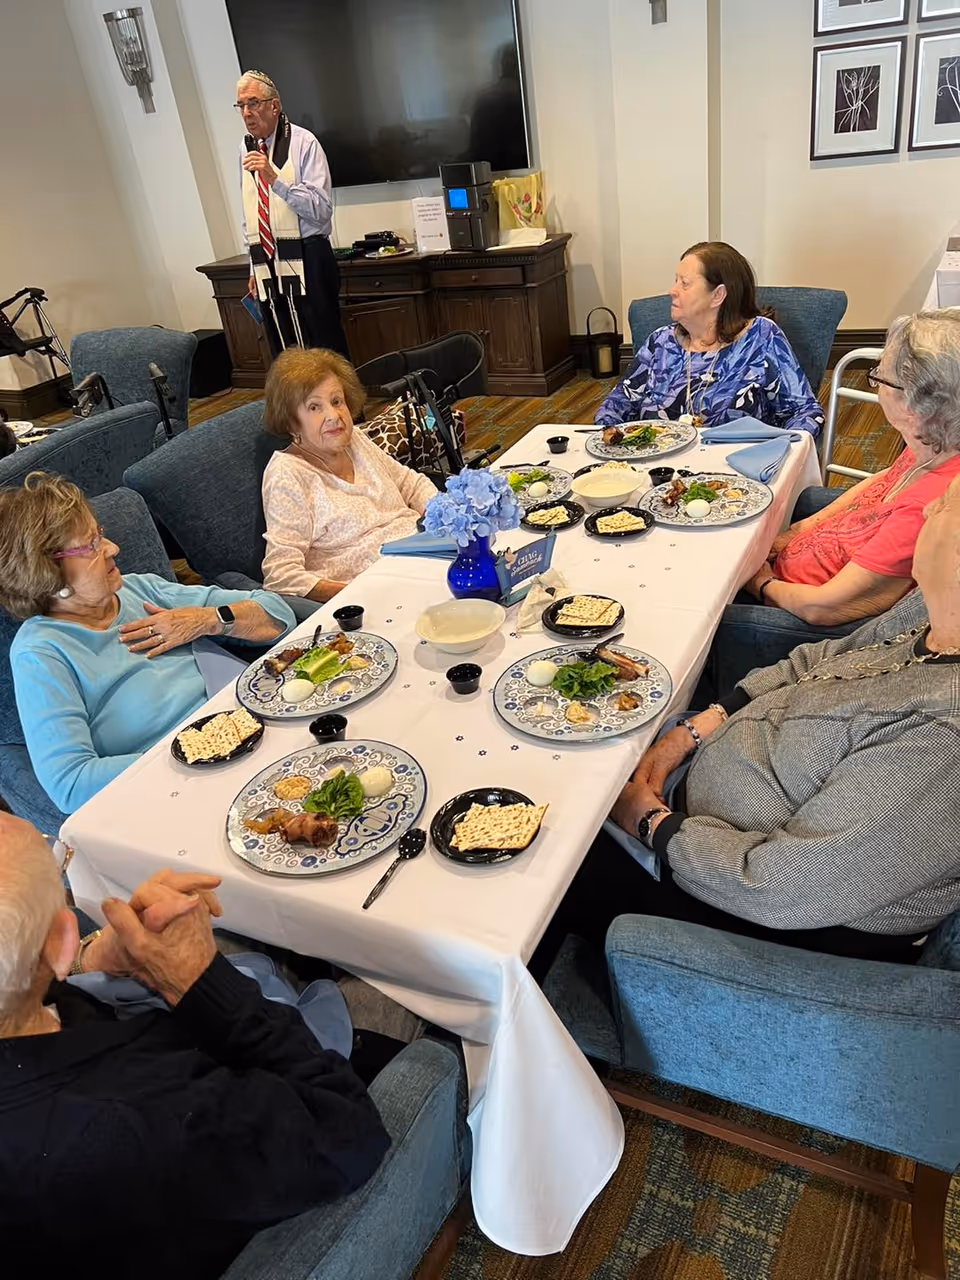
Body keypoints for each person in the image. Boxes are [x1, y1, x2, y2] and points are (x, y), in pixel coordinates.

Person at [562, 474, 960, 967]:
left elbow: (782, 886)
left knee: (548, 856)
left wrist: (645, 820)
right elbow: (819, 659)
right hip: (697, 787)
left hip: (738, 905)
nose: (926, 512)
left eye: (945, 505)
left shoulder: (943, 745)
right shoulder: (934, 612)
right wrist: (694, 731)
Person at [0, 813, 389, 1280]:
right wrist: (197, 980)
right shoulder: (129, 1124)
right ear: (59, 939)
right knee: (389, 982)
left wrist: (88, 960)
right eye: (57, 859)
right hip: (276, 1157)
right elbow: (349, 1133)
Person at [1, 473, 295, 815]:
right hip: (181, 791)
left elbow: (278, 613)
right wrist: (194, 750)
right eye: (92, 545)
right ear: (44, 571)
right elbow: (70, 784)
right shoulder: (41, 653)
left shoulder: (137, 590)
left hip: (257, 729)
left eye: (101, 534)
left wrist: (207, 620)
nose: (113, 549)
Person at [703, 308, 960, 697]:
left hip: (793, 612)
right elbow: (879, 482)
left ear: (914, 403)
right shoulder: (933, 440)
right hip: (789, 567)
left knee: (695, 609)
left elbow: (823, 607)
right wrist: (797, 529)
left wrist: (761, 582)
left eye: (880, 377)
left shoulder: (929, 509)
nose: (875, 385)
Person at [261, 347, 437, 601]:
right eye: (314, 407)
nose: (333, 416)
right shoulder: (286, 474)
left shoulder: (354, 440)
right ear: (291, 420)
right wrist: (354, 595)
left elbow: (411, 483)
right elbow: (281, 574)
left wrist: (443, 518)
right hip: (378, 592)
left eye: (336, 401)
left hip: (424, 557)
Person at [595, 241, 823, 434]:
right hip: (658, 473)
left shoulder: (761, 338)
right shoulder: (661, 343)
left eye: (684, 284)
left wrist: (777, 455)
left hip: (737, 475)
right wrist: (610, 441)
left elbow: (804, 413)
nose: (671, 291)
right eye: (675, 281)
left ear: (718, 295)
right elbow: (616, 405)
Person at [236, 69, 348, 359]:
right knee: (284, 348)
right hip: (266, 262)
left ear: (274, 105)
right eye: (241, 106)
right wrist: (252, 265)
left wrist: (276, 181)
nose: (247, 113)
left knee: (322, 348)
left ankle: (342, 404)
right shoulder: (245, 148)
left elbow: (321, 211)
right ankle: (294, 405)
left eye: (253, 103)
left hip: (308, 257)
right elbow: (251, 210)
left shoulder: (303, 143)